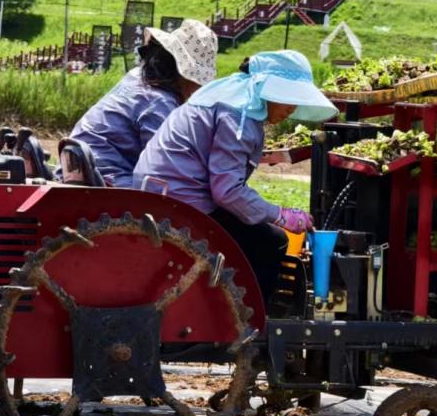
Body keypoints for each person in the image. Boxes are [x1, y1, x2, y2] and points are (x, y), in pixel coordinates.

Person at [133, 50, 337, 301]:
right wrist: (279, 215)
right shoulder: (240, 115)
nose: (292, 108)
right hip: (180, 202)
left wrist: (263, 210)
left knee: (252, 227)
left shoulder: (231, 94)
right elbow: (227, 191)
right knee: (270, 241)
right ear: (269, 90)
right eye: (288, 98)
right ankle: (249, 323)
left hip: (159, 191)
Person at [68, 19, 217, 187]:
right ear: (182, 75)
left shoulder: (135, 77)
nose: (196, 89)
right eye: (196, 82)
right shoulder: (160, 102)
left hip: (77, 167)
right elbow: (166, 164)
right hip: (106, 179)